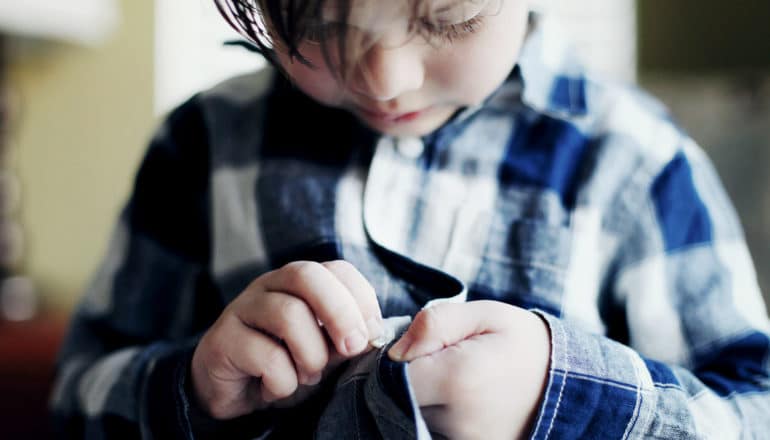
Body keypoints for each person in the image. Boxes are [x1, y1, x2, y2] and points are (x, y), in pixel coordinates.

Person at [50, 0, 770, 438]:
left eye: (448, 16)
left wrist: (564, 396)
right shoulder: (204, 144)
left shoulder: (636, 161)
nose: (383, 79)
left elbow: (754, 410)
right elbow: (74, 397)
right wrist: (197, 391)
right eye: (321, 23)